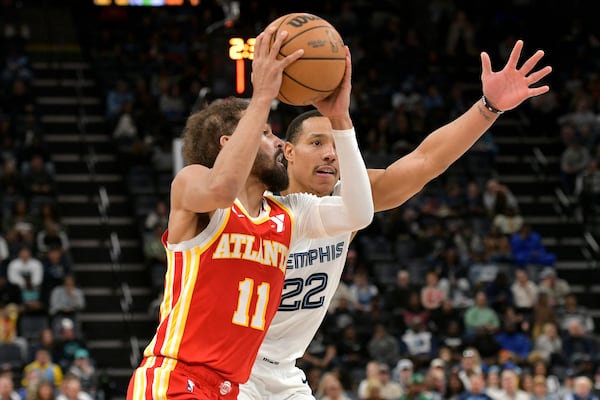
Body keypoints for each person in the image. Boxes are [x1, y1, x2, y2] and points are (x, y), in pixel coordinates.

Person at [239, 39, 551, 400]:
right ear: (288, 152)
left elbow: (425, 162)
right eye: (316, 143)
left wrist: (489, 107)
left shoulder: (346, 202)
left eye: (336, 146)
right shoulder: (254, 203)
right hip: (231, 363)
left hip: (284, 371)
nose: (329, 155)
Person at [126, 26, 374, 400]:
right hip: (177, 378)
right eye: (267, 133)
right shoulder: (193, 184)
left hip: (231, 388)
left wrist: (341, 120)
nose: (279, 142)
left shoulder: (289, 214)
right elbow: (223, 189)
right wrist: (261, 98)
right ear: (230, 143)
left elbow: (359, 213)